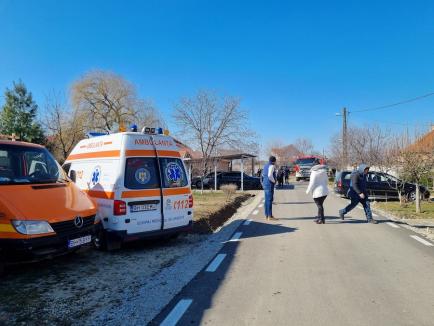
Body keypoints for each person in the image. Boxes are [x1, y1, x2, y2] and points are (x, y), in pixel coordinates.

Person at [261, 156, 278, 221]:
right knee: (269, 200)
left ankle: (266, 215)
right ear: (274, 161)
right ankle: (270, 216)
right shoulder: (272, 166)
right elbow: (270, 175)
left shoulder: (265, 165)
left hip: (265, 183)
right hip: (269, 184)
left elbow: (263, 175)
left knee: (266, 200)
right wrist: (274, 181)